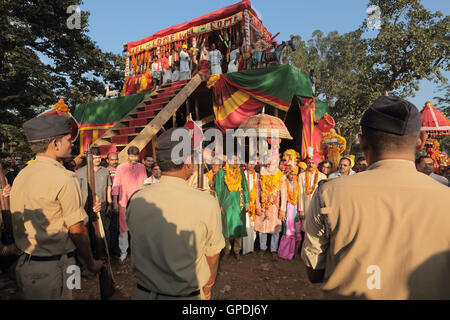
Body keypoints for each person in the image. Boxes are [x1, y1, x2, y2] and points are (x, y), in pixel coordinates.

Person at [301, 95, 450, 299]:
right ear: (421, 142)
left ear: (362, 143)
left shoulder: (329, 193)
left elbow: (314, 272)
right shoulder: (445, 197)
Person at [10, 115, 103, 299]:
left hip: (28, 265)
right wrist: (91, 263)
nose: (72, 144)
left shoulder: (23, 174)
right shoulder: (64, 178)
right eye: (68, 140)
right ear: (55, 143)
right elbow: (76, 229)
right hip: (54, 267)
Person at [126, 127, 225, 300]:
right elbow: (212, 258)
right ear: (187, 160)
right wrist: (208, 287)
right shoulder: (207, 202)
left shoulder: (137, 200)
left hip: (143, 294)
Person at [75, 147, 114, 257]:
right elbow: (77, 191)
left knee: (104, 231)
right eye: (94, 158)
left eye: (99, 157)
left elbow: (108, 188)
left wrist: (110, 204)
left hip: (103, 206)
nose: (97, 160)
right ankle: (88, 256)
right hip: (85, 208)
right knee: (87, 231)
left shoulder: (105, 171)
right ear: (89, 158)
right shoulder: (80, 172)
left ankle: (105, 254)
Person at [112, 146, 147, 263]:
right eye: (132, 156)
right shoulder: (121, 168)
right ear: (128, 155)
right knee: (123, 229)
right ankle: (123, 252)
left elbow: (145, 184)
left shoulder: (141, 167)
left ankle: (139, 252)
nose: (134, 158)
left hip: (139, 202)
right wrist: (115, 202)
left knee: (139, 227)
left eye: (136, 156)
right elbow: (116, 185)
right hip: (124, 201)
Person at [215, 155, 250, 260]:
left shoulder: (241, 173)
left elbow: (245, 188)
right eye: (234, 160)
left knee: (238, 228)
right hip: (226, 205)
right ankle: (226, 250)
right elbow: (218, 190)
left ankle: (237, 250)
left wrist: (247, 202)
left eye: (238, 160)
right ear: (228, 161)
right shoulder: (222, 173)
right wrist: (218, 205)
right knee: (226, 228)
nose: (237, 162)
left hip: (239, 205)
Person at [254, 155, 285, 260]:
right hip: (263, 205)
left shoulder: (280, 175)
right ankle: (263, 248)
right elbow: (257, 192)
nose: (270, 165)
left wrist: (283, 209)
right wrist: (257, 206)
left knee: (275, 229)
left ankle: (273, 249)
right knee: (263, 229)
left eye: (272, 163)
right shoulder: (261, 175)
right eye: (268, 163)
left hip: (275, 206)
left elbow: (283, 194)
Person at [298, 157, 327, 239]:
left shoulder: (323, 176)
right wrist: (301, 209)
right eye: (309, 163)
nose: (310, 165)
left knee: (316, 227)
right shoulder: (301, 176)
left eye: (313, 163)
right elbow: (300, 193)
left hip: (317, 206)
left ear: (317, 164)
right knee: (305, 227)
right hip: (306, 205)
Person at [278, 167, 302, 260]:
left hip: (295, 208)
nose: (292, 176)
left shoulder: (298, 184)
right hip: (287, 208)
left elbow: (299, 198)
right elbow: (281, 198)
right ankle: (284, 253)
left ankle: (293, 251)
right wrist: (282, 210)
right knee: (287, 231)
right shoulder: (283, 183)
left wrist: (299, 211)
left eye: (294, 174)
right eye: (291, 174)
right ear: (287, 175)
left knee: (296, 230)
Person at [242, 162, 259, 255]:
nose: (251, 166)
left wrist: (257, 205)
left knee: (253, 226)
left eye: (253, 164)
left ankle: (251, 248)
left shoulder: (258, 176)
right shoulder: (242, 174)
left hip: (254, 204)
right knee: (246, 225)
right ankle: (244, 249)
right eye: (250, 164)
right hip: (245, 203)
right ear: (246, 164)